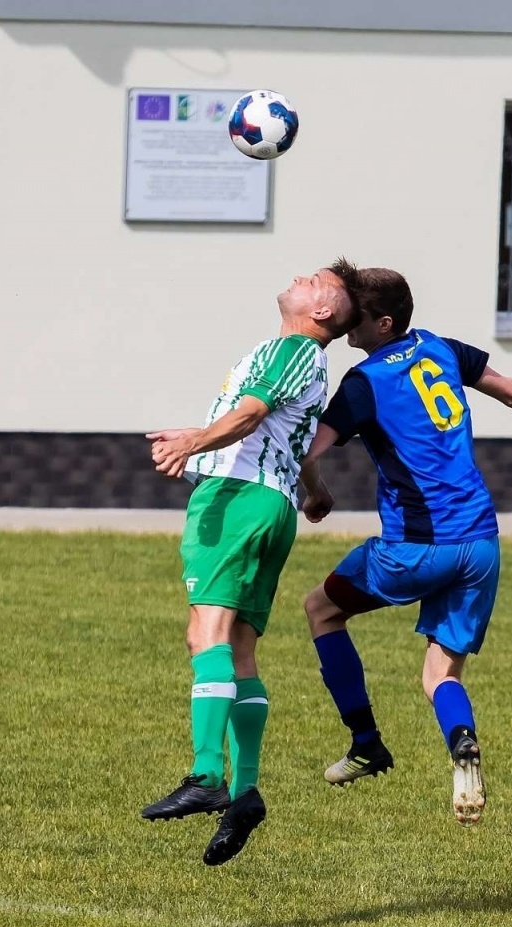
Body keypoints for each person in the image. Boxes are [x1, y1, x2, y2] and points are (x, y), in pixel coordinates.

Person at [297, 267, 512, 825]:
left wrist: (317, 494)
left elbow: (312, 450)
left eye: (354, 310)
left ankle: (365, 744)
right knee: (440, 677)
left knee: (321, 609)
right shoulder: (441, 348)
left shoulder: (364, 382)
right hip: (480, 544)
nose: (345, 317)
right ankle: (462, 744)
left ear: (381, 323)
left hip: (418, 548)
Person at [142, 260, 360, 865]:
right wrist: (313, 487)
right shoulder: (307, 361)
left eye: (314, 281)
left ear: (320, 312)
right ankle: (245, 792)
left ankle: (208, 774)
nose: (299, 277)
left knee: (204, 633)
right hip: (275, 501)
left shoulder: (293, 348)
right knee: (239, 648)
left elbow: (253, 414)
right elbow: (288, 434)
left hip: (238, 500)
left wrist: (192, 441)